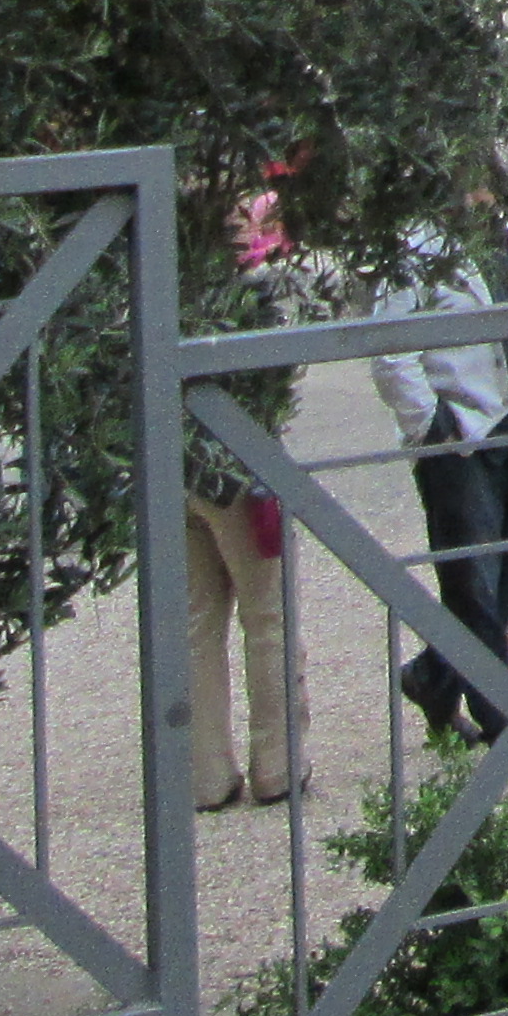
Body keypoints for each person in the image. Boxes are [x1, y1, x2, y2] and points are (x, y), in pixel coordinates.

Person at [374, 189, 508, 745]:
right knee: (472, 590)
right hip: (462, 440)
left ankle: (433, 675)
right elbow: (390, 349)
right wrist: (432, 427)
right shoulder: (413, 247)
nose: (475, 189)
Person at [182, 177, 310, 806]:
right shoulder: (252, 292)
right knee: (268, 618)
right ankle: (278, 765)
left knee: (195, 624)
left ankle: (205, 773)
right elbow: (274, 382)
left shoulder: (162, 289)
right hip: (240, 472)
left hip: (176, 469)